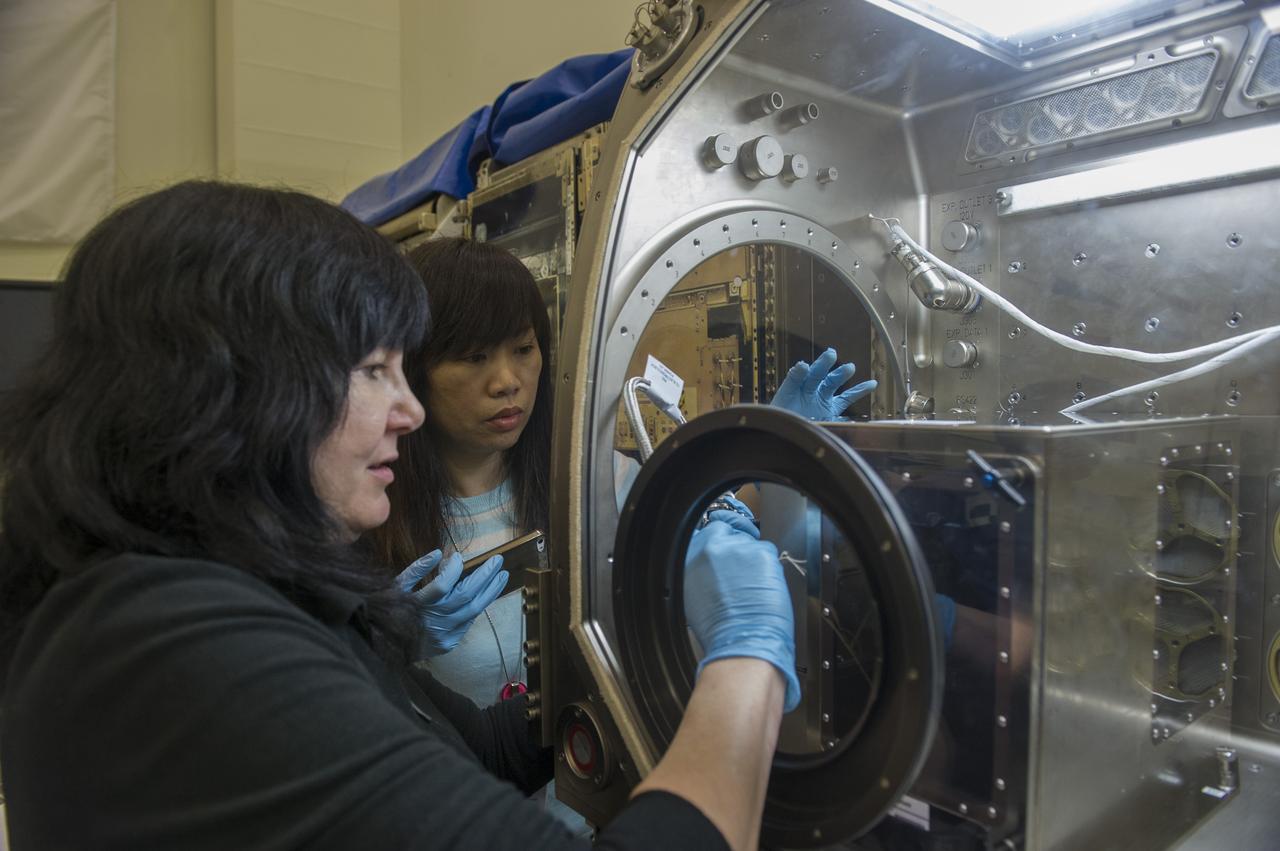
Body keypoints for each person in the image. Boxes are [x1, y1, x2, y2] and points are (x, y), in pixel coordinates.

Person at [0, 181, 798, 851]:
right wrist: (748, 656)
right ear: (240, 390)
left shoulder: (239, 594)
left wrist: (653, 667)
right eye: (375, 368)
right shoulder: (162, 644)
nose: (408, 410)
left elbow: (481, 747)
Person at [372, 237, 551, 705]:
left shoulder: (595, 484)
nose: (507, 382)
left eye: (523, 348)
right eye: (475, 357)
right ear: (414, 368)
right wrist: (386, 649)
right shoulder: (370, 514)